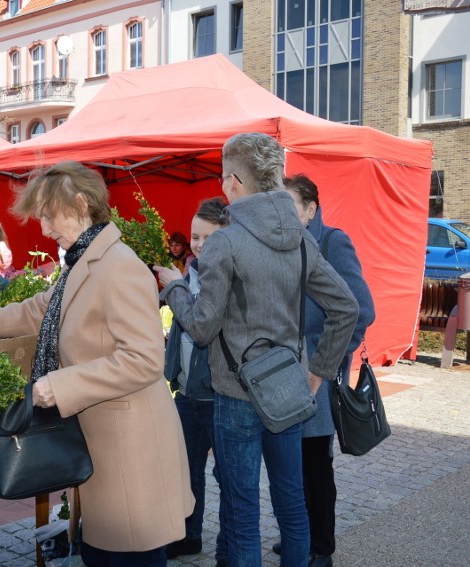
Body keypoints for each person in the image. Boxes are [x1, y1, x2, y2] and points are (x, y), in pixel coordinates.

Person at [0, 161, 194, 567]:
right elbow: (33, 310)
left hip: (131, 449)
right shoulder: (83, 260)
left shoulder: (119, 266)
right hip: (103, 444)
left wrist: (63, 384)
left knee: (128, 557)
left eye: (49, 216)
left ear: (81, 204)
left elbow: (143, 359)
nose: (45, 228)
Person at [159, 133, 359, 567]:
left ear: (232, 182)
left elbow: (200, 326)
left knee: (243, 513)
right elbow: (346, 307)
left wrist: (173, 288)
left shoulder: (226, 243)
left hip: (235, 395)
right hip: (288, 389)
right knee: (292, 505)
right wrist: (315, 375)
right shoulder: (303, 237)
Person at [271, 174, 376, 567]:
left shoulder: (332, 241)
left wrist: (326, 361)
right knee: (289, 461)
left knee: (315, 464)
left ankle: (322, 548)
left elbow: (361, 311)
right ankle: (299, 534)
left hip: (316, 377)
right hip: (284, 375)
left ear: (311, 208)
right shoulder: (283, 246)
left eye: (289, 206)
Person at [154, 197, 229, 565]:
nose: (198, 245)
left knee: (228, 476)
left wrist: (175, 289)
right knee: (185, 470)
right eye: (195, 236)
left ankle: (230, 545)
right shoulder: (191, 270)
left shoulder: (226, 275)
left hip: (217, 394)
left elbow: (201, 326)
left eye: (207, 237)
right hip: (186, 390)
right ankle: (188, 534)